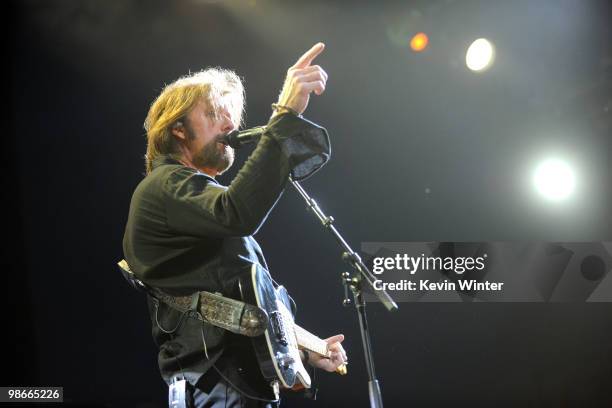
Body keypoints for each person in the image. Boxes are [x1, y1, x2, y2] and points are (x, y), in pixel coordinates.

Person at [122, 42, 347, 407]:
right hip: (216, 387)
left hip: (238, 387)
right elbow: (237, 211)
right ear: (178, 129)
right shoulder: (163, 187)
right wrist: (285, 113)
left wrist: (311, 350)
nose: (231, 125)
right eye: (214, 113)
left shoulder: (200, 209)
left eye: (232, 117)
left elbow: (252, 309)